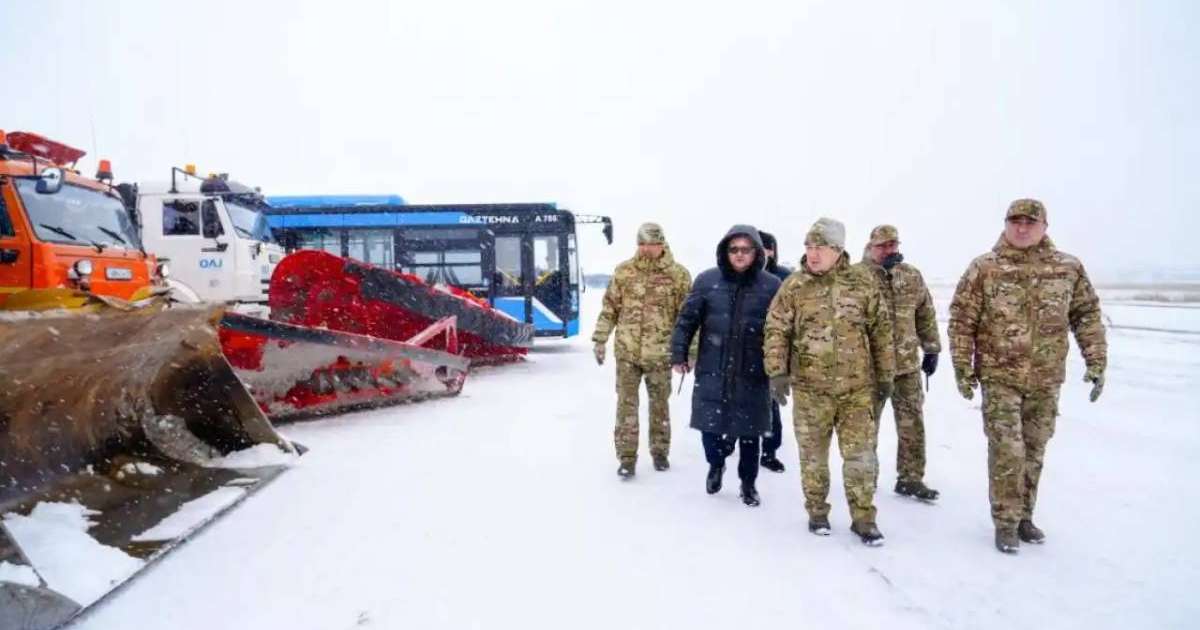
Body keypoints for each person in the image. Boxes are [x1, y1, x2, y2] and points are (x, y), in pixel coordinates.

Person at [948, 199, 1107, 554]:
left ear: (1044, 227)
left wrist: (1096, 360)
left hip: (1046, 378)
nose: (1022, 228)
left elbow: (1086, 315)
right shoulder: (985, 268)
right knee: (1008, 449)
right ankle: (1005, 522)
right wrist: (962, 366)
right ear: (1005, 225)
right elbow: (962, 320)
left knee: (1034, 449)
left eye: (1030, 223)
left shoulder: (1067, 268)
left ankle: (1024, 517)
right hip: (999, 376)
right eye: (1015, 221)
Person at [764, 217, 894, 545]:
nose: (813, 254)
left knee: (861, 458)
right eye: (809, 247)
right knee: (813, 458)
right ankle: (817, 511)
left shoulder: (863, 283)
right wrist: (776, 371)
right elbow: (776, 329)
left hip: (858, 391)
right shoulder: (794, 286)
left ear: (838, 250)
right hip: (811, 391)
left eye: (820, 247)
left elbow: (881, 331)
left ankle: (863, 517)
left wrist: (886, 375)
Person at [670, 225, 781, 506]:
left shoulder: (771, 285)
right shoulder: (708, 281)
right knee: (709, 425)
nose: (740, 255)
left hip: (753, 370)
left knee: (750, 433)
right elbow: (686, 321)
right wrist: (679, 354)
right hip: (713, 366)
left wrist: (781, 366)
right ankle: (716, 464)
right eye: (734, 249)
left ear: (756, 252)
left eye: (746, 249)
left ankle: (748, 483)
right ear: (725, 251)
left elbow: (782, 329)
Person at [593, 222, 693, 479]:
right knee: (626, 406)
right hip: (627, 353)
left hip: (661, 354)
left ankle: (660, 452)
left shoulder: (678, 275)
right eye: (642, 244)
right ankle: (626, 458)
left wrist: (690, 352)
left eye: (652, 244)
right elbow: (610, 308)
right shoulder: (624, 272)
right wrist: (600, 339)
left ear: (662, 244)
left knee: (659, 405)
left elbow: (688, 319)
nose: (646, 249)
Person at [859, 225, 942, 501]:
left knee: (912, 425)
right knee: (865, 429)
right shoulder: (857, 277)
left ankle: (910, 477)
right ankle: (863, 481)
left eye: (892, 245)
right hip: (869, 369)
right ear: (870, 246)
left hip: (906, 367)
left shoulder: (910, 275)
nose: (888, 250)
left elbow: (925, 312)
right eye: (882, 245)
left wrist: (931, 349)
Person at [757, 230, 792, 474]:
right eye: (761, 247)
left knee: (771, 404)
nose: (766, 252)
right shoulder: (744, 274)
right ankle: (730, 444)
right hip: (746, 347)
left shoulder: (784, 277)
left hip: (776, 350)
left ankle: (769, 452)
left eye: (769, 247)